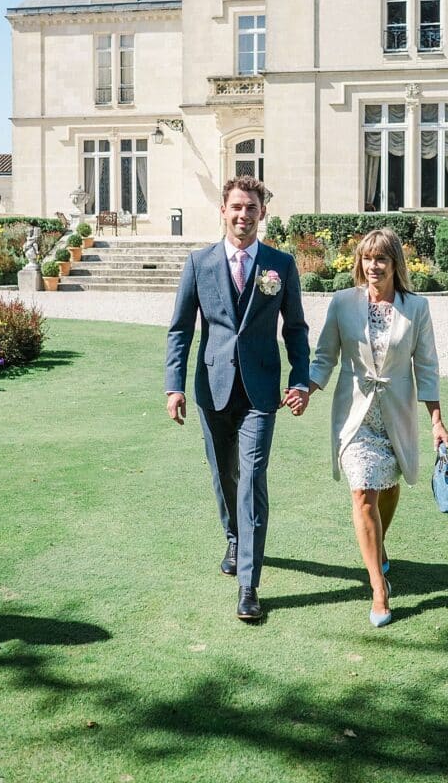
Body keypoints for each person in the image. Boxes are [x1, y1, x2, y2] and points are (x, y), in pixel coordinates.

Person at [165, 176, 310, 622]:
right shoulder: (199, 263)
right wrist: (174, 385)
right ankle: (233, 537)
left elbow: (296, 330)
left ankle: (249, 585)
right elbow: (181, 330)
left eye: (251, 208)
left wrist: (300, 380)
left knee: (252, 481)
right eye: (236, 207)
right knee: (223, 475)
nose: (243, 215)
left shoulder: (280, 265)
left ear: (262, 213)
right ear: (223, 211)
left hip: (263, 393)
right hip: (213, 389)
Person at [300, 228, 448, 628]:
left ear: (395, 264)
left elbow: (427, 366)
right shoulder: (342, 303)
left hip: (396, 414)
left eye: (381, 259)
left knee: (387, 486)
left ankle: (379, 544)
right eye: (367, 258)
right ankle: (379, 587)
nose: (373, 266)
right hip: (354, 415)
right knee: (363, 490)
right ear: (359, 263)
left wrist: (436, 420)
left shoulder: (416, 308)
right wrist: (307, 389)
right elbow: (324, 357)